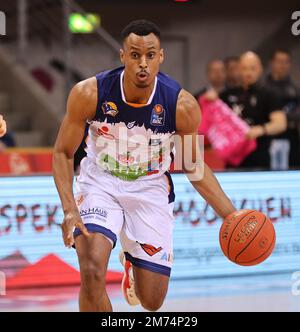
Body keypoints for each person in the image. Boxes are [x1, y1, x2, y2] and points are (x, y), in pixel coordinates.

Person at [52, 19, 235, 312]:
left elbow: (193, 166)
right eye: (135, 55)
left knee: (152, 302)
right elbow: (62, 152)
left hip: (150, 187)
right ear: (122, 56)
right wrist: (70, 208)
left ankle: (131, 266)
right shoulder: (90, 93)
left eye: (150, 55)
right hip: (100, 182)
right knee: (92, 271)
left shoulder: (182, 106)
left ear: (161, 56)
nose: (143, 63)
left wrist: (231, 215)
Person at [221, 51, 287, 169]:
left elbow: (280, 124)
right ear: (239, 70)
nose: (248, 72)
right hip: (232, 158)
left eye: (252, 68)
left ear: (260, 69)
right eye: (244, 68)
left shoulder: (269, 94)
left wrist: (260, 129)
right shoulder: (226, 95)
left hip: (259, 157)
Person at [264, 49, 300, 169]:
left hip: (291, 137)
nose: (282, 65)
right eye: (279, 61)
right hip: (269, 138)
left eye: (286, 62)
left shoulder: (295, 89)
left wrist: (281, 117)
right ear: (271, 63)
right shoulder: (264, 88)